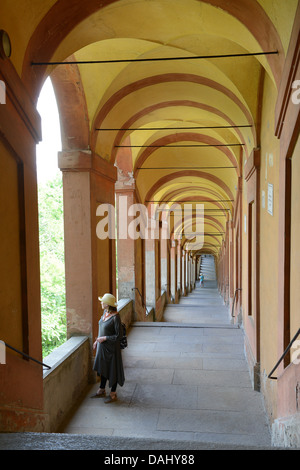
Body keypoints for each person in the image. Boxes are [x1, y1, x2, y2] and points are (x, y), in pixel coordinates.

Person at [91, 293, 125, 403]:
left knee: (112, 369)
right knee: (103, 368)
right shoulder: (105, 313)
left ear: (108, 304)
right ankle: (101, 389)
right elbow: (101, 329)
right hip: (102, 347)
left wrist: (105, 338)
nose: (101, 303)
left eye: (103, 301)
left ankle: (113, 393)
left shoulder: (116, 317)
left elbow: (118, 336)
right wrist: (97, 341)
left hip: (111, 349)